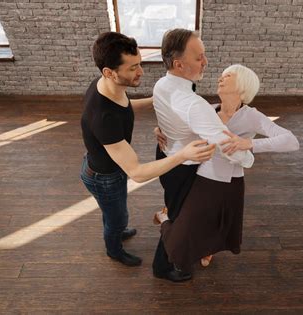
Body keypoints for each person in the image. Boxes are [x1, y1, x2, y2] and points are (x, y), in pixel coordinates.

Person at [80, 32, 216, 267]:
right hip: (104, 177)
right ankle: (114, 249)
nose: (141, 72)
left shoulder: (104, 86)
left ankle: (116, 229)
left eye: (139, 63)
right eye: (132, 68)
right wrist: (184, 154)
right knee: (116, 217)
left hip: (111, 166)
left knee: (116, 215)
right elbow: (137, 173)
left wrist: (161, 101)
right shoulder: (104, 118)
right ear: (109, 72)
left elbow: (126, 106)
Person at [153, 64, 300, 274]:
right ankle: (164, 217)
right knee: (178, 246)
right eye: (221, 76)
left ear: (243, 85)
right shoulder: (208, 108)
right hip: (200, 178)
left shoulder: (252, 116)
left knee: (215, 225)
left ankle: (207, 249)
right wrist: (160, 130)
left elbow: (291, 141)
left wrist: (251, 144)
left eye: (227, 76)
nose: (220, 78)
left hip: (230, 184)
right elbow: (180, 128)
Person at [151, 29, 255, 282]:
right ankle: (164, 266)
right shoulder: (193, 103)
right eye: (199, 57)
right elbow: (229, 147)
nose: (206, 62)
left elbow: (170, 115)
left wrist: (164, 130)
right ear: (179, 64)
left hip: (166, 155)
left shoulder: (162, 83)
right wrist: (249, 158)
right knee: (178, 215)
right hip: (182, 167)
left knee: (178, 210)